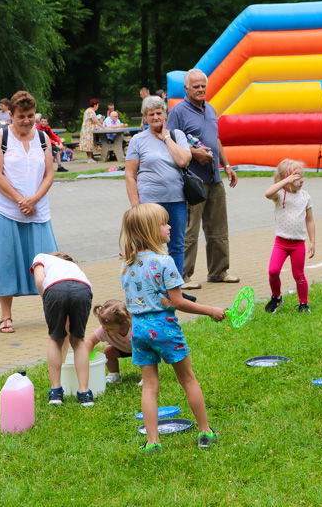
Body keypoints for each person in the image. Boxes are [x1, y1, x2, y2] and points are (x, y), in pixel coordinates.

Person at [120, 203, 226, 452]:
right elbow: (178, 302)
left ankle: (153, 441)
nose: (169, 227)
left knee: (149, 385)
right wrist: (210, 310)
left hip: (139, 329)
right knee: (187, 379)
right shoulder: (165, 262)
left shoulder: (126, 264)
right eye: (164, 223)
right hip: (163, 328)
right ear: (150, 230)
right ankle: (205, 431)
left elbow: (140, 297)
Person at [0, 90, 57, 334]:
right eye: (21, 116)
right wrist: (20, 200)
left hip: (38, 211)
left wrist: (34, 199)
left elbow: (49, 173)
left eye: (30, 116)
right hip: (7, 210)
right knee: (6, 262)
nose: (27, 121)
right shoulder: (1, 137)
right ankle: (6, 316)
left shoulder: (42, 138)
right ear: (12, 115)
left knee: (47, 263)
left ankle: (52, 311)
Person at [167, 68, 239, 290]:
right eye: (195, 86)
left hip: (214, 177)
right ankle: (183, 275)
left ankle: (219, 271)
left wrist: (227, 165)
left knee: (218, 228)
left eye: (203, 86)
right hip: (192, 180)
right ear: (186, 89)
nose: (200, 89)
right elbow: (169, 141)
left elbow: (215, 139)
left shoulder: (210, 109)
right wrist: (193, 152)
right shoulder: (178, 112)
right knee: (189, 230)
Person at [125, 95, 192, 277]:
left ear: (165, 114)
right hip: (150, 202)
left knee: (177, 244)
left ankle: (175, 284)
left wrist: (167, 138)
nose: (155, 117)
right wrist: (135, 205)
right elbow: (130, 175)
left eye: (159, 113)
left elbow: (183, 161)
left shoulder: (177, 135)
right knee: (149, 244)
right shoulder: (138, 140)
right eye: (151, 114)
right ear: (145, 117)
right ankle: (151, 282)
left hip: (177, 199)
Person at [31, 251, 93, 405]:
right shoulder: (72, 267)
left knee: (55, 339)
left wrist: (46, 300)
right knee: (78, 341)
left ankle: (56, 393)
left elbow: (40, 280)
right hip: (83, 289)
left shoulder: (41, 257)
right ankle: (85, 393)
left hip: (55, 289)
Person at [263, 158, 315, 314]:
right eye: (297, 176)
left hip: (298, 244)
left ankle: (303, 304)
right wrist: (285, 181)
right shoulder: (279, 194)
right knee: (273, 271)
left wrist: (313, 241)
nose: (302, 180)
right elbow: (267, 193)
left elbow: (310, 220)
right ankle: (276, 297)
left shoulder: (305, 196)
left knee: (298, 274)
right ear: (286, 178)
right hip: (281, 243)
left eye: (302, 176)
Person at [77, 299, 134, 385]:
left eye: (110, 328)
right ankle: (114, 374)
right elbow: (90, 341)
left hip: (140, 349)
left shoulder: (134, 327)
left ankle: (147, 376)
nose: (105, 330)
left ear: (123, 324)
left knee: (145, 355)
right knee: (108, 351)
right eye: (103, 326)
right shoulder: (104, 330)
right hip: (123, 349)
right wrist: (85, 358)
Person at [79, 98, 100, 163]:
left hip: (87, 129)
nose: (98, 107)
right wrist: (103, 127)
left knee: (90, 143)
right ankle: (89, 158)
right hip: (88, 130)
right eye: (98, 105)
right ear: (95, 105)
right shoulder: (90, 111)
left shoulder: (89, 110)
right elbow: (95, 121)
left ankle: (91, 157)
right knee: (89, 144)